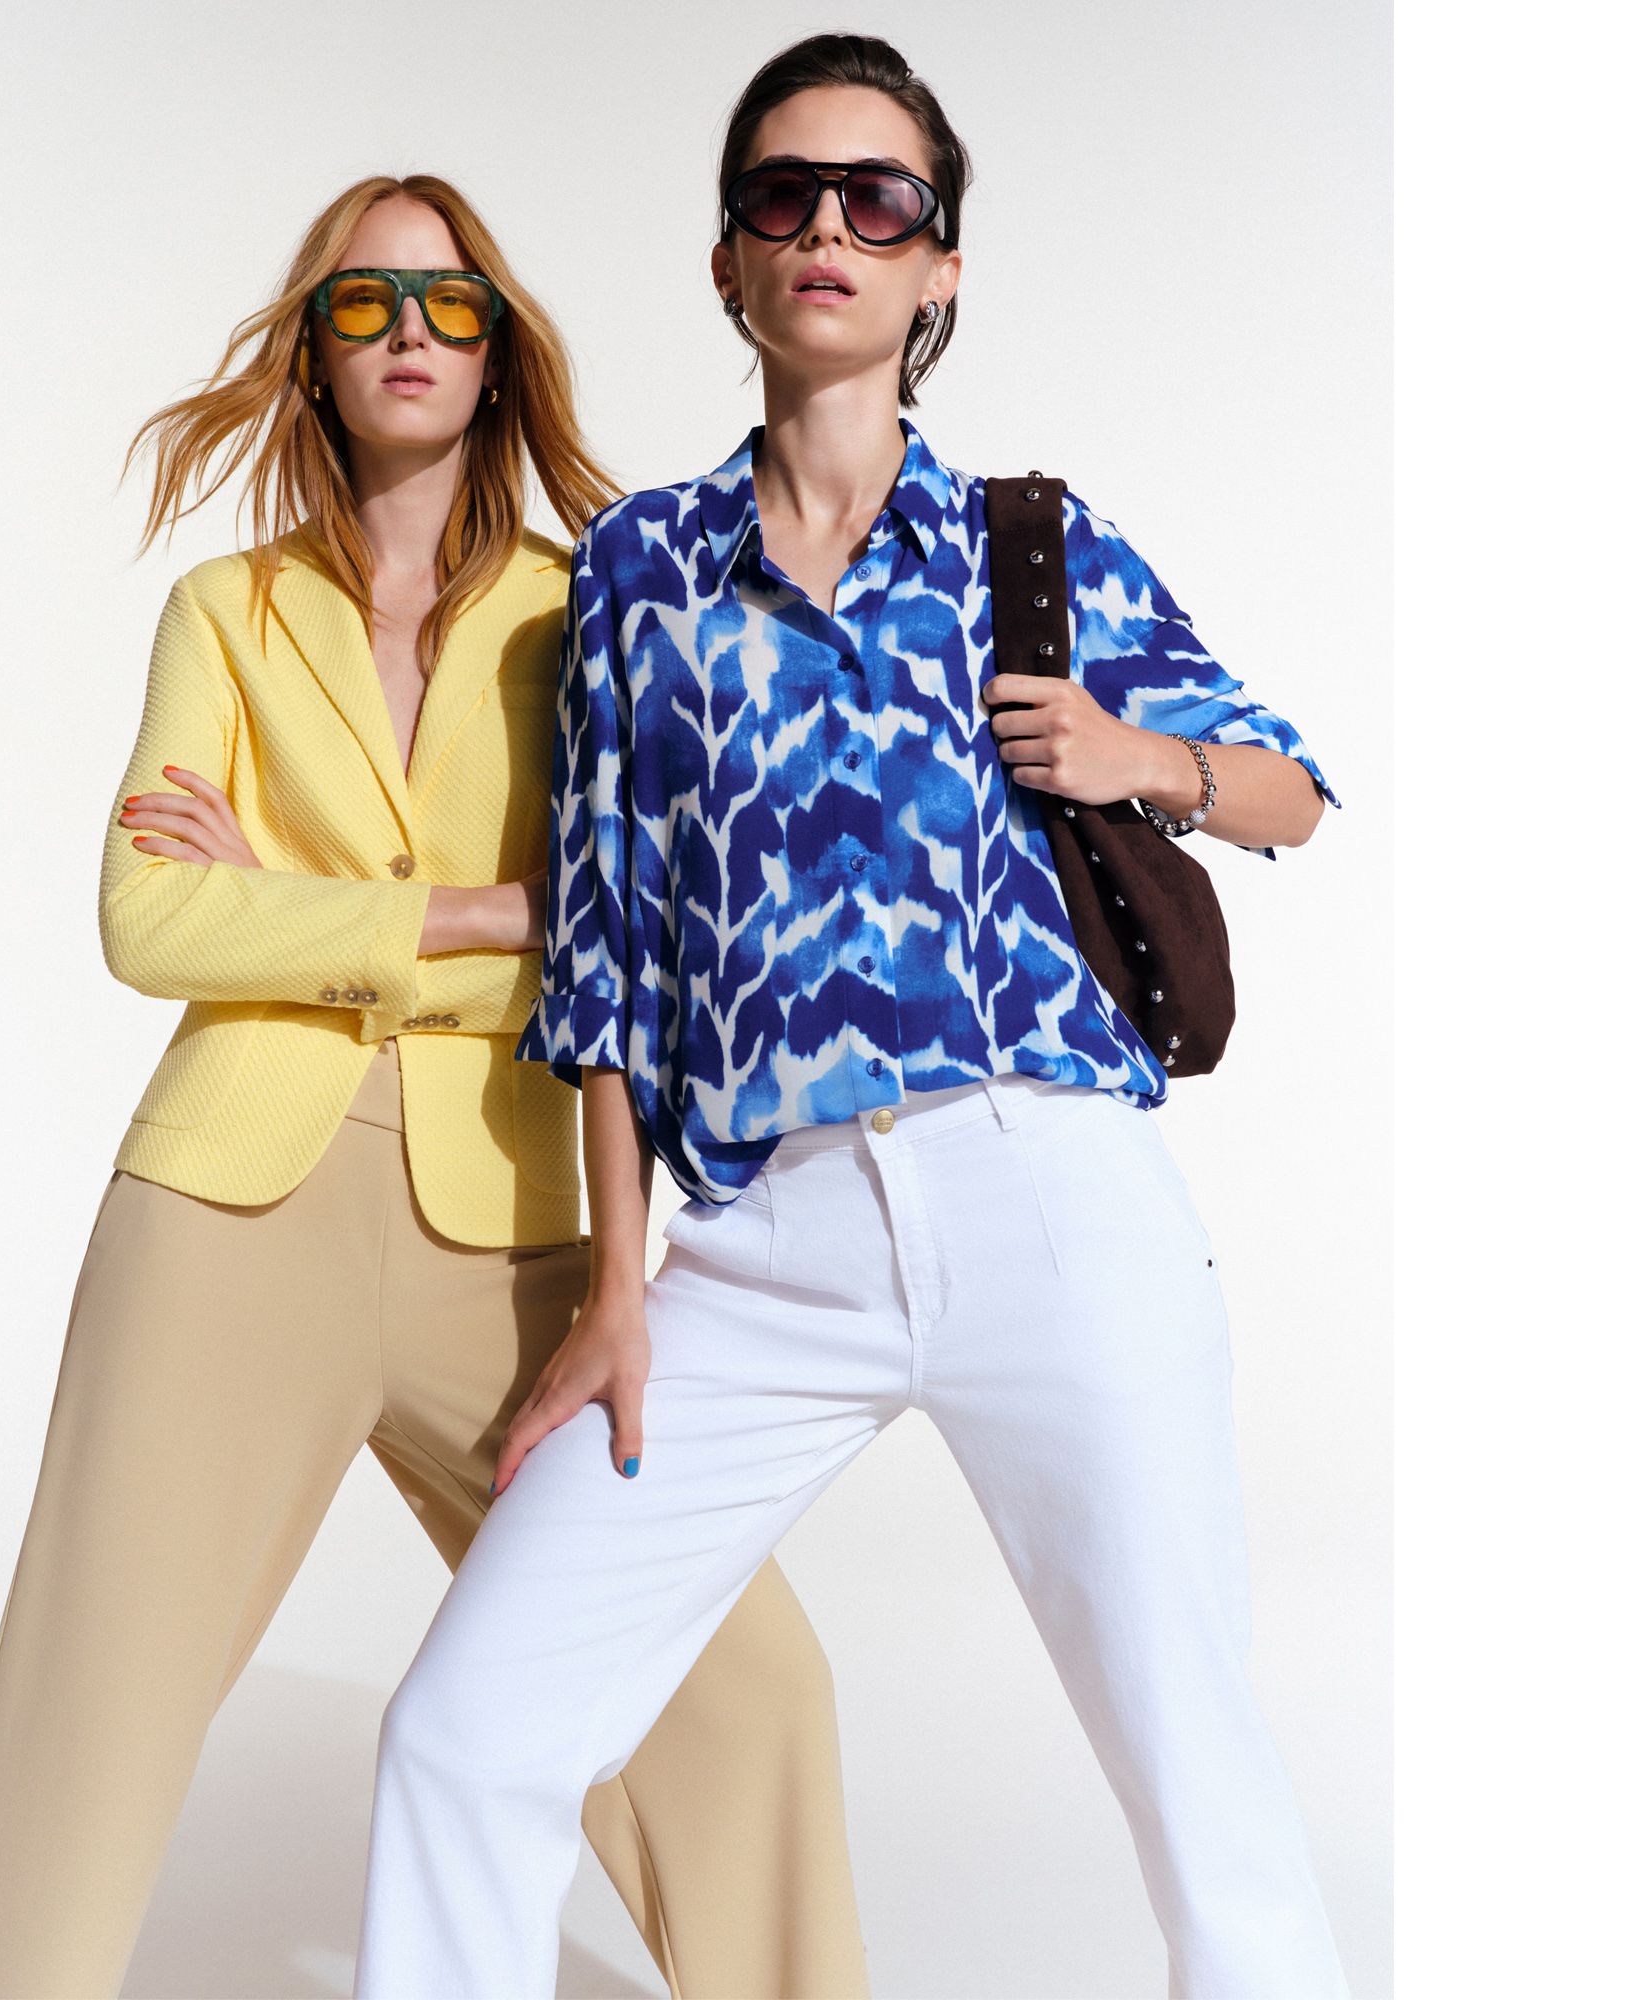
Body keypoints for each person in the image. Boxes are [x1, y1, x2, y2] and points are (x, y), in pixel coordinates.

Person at [355, 37, 1353, 2000]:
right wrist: (619, 1286)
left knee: (1197, 1775)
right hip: (761, 1242)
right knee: (466, 1735)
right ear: (730, 260)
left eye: (877, 200)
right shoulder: (641, 568)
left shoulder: (1025, 545)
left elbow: (1292, 794)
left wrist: (1135, 754)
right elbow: (607, 954)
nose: (828, 226)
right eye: (780, 195)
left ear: (936, 269)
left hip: (1045, 1191)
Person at [0, 171, 868, 2000]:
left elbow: (651, 921)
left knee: (744, 1684)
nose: (408, 334)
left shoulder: (595, 608)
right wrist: (487, 909)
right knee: (75, 1721)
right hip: (222, 1219)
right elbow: (149, 918)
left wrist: (293, 905)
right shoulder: (228, 612)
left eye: (447, 304)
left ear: (497, 353)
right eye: (363, 305)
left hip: (518, 1231)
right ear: (315, 357)